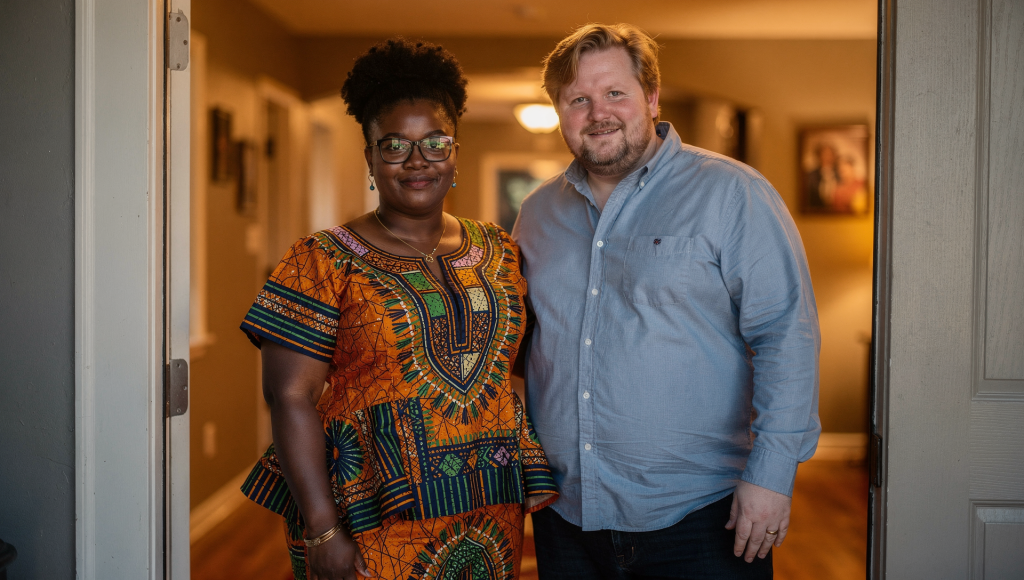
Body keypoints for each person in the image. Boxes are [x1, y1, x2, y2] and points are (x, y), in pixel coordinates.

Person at [239, 38, 557, 580]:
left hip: (488, 504)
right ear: (370, 156)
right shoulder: (321, 258)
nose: (417, 161)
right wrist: (323, 528)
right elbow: (288, 395)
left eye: (435, 142)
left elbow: (523, 361)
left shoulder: (500, 249)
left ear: (455, 150)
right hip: (368, 514)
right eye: (394, 145)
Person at [513, 24, 821, 579]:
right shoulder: (536, 214)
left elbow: (786, 334)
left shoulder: (733, 193)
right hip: (565, 515)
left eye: (615, 94)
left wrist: (771, 476)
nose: (597, 112)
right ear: (560, 110)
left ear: (651, 98)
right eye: (577, 99)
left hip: (702, 519)